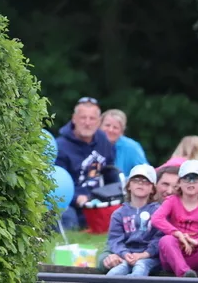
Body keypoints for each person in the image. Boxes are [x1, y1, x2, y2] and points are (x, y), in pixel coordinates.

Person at [152, 159, 198, 278]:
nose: (191, 182)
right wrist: (177, 234)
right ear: (179, 183)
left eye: (195, 179)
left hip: (197, 253)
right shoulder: (171, 201)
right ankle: (185, 274)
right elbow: (156, 218)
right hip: (175, 255)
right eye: (186, 179)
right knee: (166, 240)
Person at [55, 97, 122, 229]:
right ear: (74, 119)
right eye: (83, 118)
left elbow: (110, 174)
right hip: (70, 202)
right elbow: (56, 185)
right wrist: (77, 198)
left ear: (98, 122)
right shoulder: (60, 147)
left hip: (98, 199)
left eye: (92, 119)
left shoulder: (103, 141)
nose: (87, 123)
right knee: (68, 218)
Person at [103, 164, 162, 276]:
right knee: (114, 273)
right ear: (129, 186)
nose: (140, 184)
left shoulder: (159, 212)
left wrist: (145, 254)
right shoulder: (118, 214)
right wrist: (125, 254)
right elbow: (115, 239)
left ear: (152, 189)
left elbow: (159, 238)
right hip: (126, 256)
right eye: (136, 180)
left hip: (150, 257)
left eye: (146, 181)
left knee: (140, 269)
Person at [101, 109, 150, 177]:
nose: (110, 130)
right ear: (99, 126)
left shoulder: (132, 147)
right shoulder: (90, 143)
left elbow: (146, 173)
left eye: (115, 127)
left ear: (122, 131)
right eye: (107, 125)